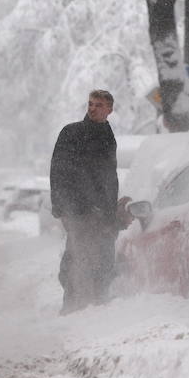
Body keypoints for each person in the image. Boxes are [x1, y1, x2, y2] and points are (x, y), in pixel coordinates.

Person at [49, 89, 119, 314]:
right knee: (78, 256)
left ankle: (97, 304)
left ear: (109, 109)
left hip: (102, 211)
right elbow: (58, 171)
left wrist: (111, 210)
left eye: (99, 105)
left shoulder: (108, 136)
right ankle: (71, 306)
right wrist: (61, 207)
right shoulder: (72, 133)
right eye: (90, 103)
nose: (92, 108)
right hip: (76, 209)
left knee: (104, 257)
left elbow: (110, 175)